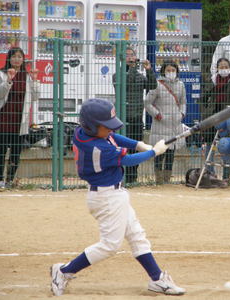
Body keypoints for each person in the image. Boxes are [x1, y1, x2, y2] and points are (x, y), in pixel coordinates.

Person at [50, 98, 185, 296]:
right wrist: (153, 152)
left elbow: (114, 137)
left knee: (137, 236)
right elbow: (128, 160)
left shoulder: (83, 133)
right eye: (106, 126)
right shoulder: (99, 149)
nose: (110, 130)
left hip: (114, 195)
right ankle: (63, 271)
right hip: (106, 198)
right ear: (92, 126)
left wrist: (140, 144)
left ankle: (157, 279)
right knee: (110, 246)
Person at [0, 47, 40, 189]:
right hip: (4, 119)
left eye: (19, 56)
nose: (17, 59)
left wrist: (35, 81)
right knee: (1, 150)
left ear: (23, 59)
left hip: (20, 120)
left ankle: (10, 180)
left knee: (16, 152)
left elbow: (35, 97)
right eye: (14, 56)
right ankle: (0, 180)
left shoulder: (27, 76)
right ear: (8, 59)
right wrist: (8, 81)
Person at [112, 47, 157, 184]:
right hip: (122, 118)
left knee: (136, 147)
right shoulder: (117, 75)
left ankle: (132, 177)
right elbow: (128, 81)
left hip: (137, 117)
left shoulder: (139, 75)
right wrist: (132, 67)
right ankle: (121, 176)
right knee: (122, 149)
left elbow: (152, 85)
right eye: (127, 55)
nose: (131, 58)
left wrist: (149, 70)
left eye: (132, 55)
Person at [200, 57, 230, 180]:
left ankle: (226, 176)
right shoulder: (212, 81)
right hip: (212, 117)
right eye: (221, 67)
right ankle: (210, 173)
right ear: (217, 68)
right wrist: (205, 112)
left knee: (226, 145)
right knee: (209, 144)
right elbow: (202, 99)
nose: (224, 69)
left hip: (228, 117)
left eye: (226, 67)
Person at [144, 61, 186, 184]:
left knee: (171, 153)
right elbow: (147, 102)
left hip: (175, 124)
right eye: (168, 70)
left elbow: (183, 102)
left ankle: (167, 179)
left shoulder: (181, 85)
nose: (171, 73)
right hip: (161, 124)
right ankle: (159, 179)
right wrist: (157, 114)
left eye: (173, 70)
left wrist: (182, 114)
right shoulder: (157, 84)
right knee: (159, 152)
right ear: (163, 71)